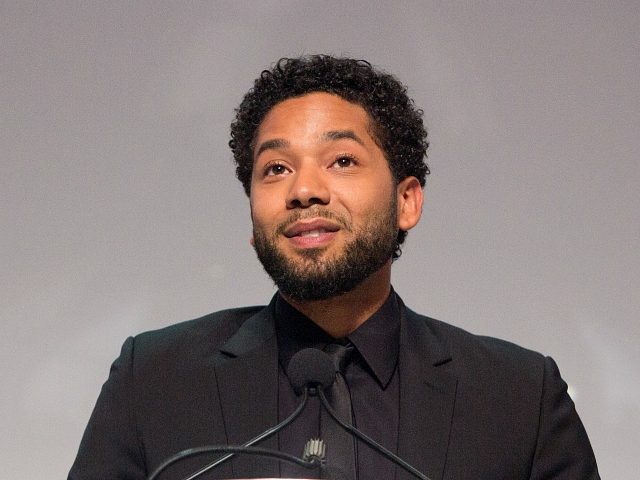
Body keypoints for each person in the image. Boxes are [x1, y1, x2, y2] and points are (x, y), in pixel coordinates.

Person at [68, 55, 599, 480]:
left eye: (341, 161)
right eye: (275, 169)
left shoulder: (518, 397)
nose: (303, 191)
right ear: (253, 219)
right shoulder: (155, 379)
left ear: (406, 202)